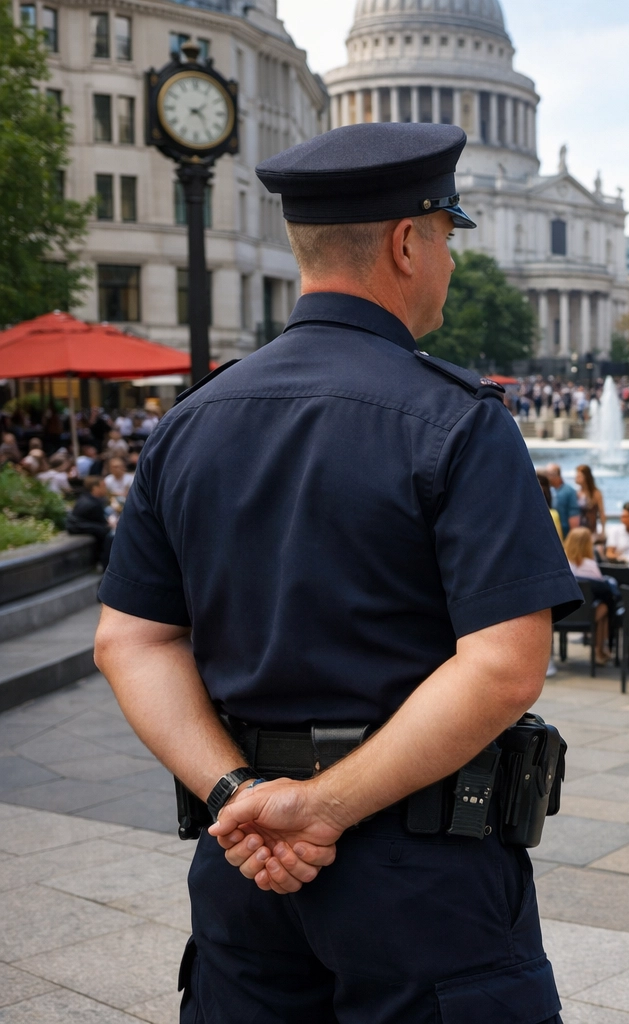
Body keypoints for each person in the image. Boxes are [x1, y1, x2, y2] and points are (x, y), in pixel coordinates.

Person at [92, 123, 576, 1021]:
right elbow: (505, 665)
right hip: (422, 871)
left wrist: (238, 795)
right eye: (446, 237)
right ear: (406, 242)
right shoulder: (460, 422)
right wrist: (322, 808)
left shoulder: (191, 422)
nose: (452, 264)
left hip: (243, 861)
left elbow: (132, 639)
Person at [563, 527, 611, 665]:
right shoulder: (590, 565)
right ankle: (599, 650)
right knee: (604, 608)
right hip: (585, 615)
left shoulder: (562, 564)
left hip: (563, 615)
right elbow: (602, 588)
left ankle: (600, 650)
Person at [66, 474, 113, 567]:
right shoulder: (94, 504)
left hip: (76, 525)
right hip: (78, 527)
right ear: (95, 488)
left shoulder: (85, 498)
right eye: (103, 486)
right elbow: (104, 524)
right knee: (109, 535)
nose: (105, 489)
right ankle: (105, 563)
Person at [545, 463, 580, 533]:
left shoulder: (569, 491)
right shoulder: (549, 490)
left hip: (565, 532)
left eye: (548, 475)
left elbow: (574, 514)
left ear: (556, 475)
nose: (547, 478)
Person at [574, 463, 606, 538]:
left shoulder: (596, 493)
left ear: (586, 477)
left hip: (590, 529)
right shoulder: (576, 493)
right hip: (578, 529)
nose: (576, 478)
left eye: (579, 476)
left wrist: (603, 531)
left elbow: (601, 513)